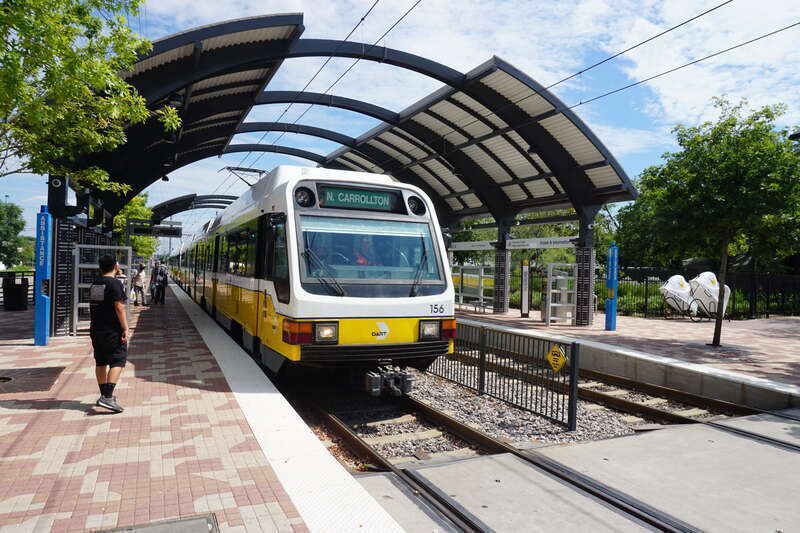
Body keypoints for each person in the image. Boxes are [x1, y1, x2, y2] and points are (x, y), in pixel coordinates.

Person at [89, 255, 129, 413]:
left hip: (96, 328)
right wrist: (125, 328)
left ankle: (104, 395)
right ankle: (107, 397)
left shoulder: (96, 283)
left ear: (100, 267)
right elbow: (119, 307)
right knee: (118, 360)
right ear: (115, 266)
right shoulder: (115, 283)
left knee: (101, 361)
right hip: (112, 329)